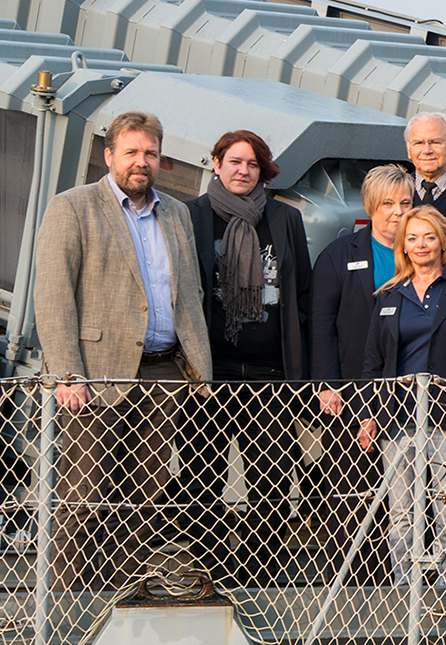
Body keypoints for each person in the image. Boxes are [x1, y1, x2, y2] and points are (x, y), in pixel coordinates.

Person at [34, 111, 211, 592]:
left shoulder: (176, 213)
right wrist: (67, 375)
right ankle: (66, 599)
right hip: (94, 376)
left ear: (161, 159)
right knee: (83, 492)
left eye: (150, 153)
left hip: (163, 376)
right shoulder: (72, 207)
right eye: (131, 152)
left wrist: (199, 368)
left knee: (144, 495)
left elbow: (189, 293)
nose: (141, 162)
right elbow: (52, 295)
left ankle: (123, 590)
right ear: (109, 155)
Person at [184, 130, 315, 586]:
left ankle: (260, 569)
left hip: (270, 371)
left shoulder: (285, 219)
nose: (243, 171)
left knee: (274, 480)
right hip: (209, 371)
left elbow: (301, 294)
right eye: (235, 161)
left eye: (253, 164)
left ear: (264, 171)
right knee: (201, 477)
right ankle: (210, 564)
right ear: (216, 163)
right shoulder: (191, 216)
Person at [356, 206, 446, 588]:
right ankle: (405, 586)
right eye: (413, 238)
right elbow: (372, 362)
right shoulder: (388, 295)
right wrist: (368, 416)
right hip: (395, 417)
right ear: (403, 245)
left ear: (444, 242)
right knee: (401, 510)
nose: (421, 245)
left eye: (429, 237)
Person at [309, 164, 415, 586]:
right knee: (353, 495)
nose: (397, 212)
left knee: (406, 499)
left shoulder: (427, 251)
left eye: (405, 203)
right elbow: (321, 325)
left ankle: (403, 582)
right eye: (387, 204)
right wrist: (326, 383)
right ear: (370, 207)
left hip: (411, 397)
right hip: (353, 396)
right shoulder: (339, 255)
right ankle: (351, 583)